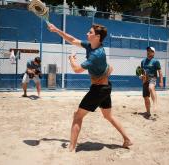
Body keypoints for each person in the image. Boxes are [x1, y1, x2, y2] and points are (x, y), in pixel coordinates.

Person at [48, 23, 132, 152]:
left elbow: (76, 69)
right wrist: (56, 30)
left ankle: (71, 148)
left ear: (97, 37)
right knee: (108, 116)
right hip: (105, 87)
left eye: (90, 32)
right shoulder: (91, 46)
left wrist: (71, 59)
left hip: (98, 89)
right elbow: (72, 39)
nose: (87, 33)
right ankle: (127, 139)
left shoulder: (96, 55)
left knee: (77, 116)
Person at [140, 47, 163, 118]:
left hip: (152, 78)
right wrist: (141, 76)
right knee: (146, 97)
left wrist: (161, 81)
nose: (148, 52)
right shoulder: (143, 61)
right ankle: (148, 112)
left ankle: (155, 104)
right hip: (145, 79)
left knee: (151, 87)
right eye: (148, 50)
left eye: (150, 51)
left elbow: (160, 72)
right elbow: (141, 71)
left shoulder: (156, 61)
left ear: (153, 53)